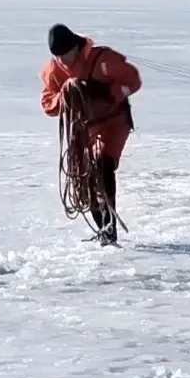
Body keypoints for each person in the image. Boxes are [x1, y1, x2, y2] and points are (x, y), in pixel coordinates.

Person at [39, 24, 142, 244]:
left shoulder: (103, 59)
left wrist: (106, 92)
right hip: (83, 130)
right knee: (85, 181)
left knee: (102, 166)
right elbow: (49, 105)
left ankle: (109, 225)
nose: (63, 61)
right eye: (59, 57)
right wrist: (65, 96)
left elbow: (133, 80)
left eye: (66, 55)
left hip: (113, 123)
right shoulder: (53, 70)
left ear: (75, 47)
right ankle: (103, 229)